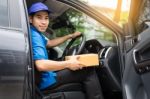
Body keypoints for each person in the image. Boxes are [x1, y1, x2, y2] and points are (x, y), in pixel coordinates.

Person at [29, 2, 104, 99]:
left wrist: (70, 36)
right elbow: (41, 65)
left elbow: (49, 43)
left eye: (46, 18)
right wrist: (68, 63)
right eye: (39, 17)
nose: (44, 22)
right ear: (30, 19)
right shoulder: (35, 36)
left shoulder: (34, 32)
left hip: (44, 78)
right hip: (46, 81)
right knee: (88, 70)